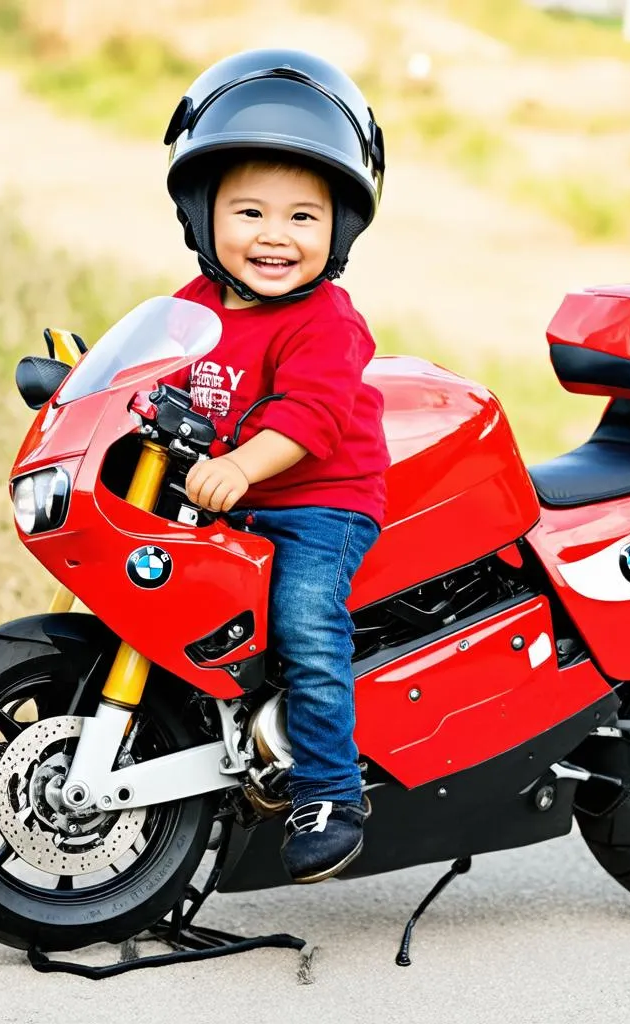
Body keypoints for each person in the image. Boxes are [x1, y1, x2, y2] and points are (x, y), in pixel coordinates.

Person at [163, 49, 389, 883]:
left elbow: (311, 418)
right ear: (203, 215)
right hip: (234, 490)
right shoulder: (192, 307)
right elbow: (149, 366)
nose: (274, 236)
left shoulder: (327, 320)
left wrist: (245, 469)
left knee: (304, 623)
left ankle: (330, 790)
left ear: (339, 230)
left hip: (319, 501)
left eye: (303, 217)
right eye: (250, 211)